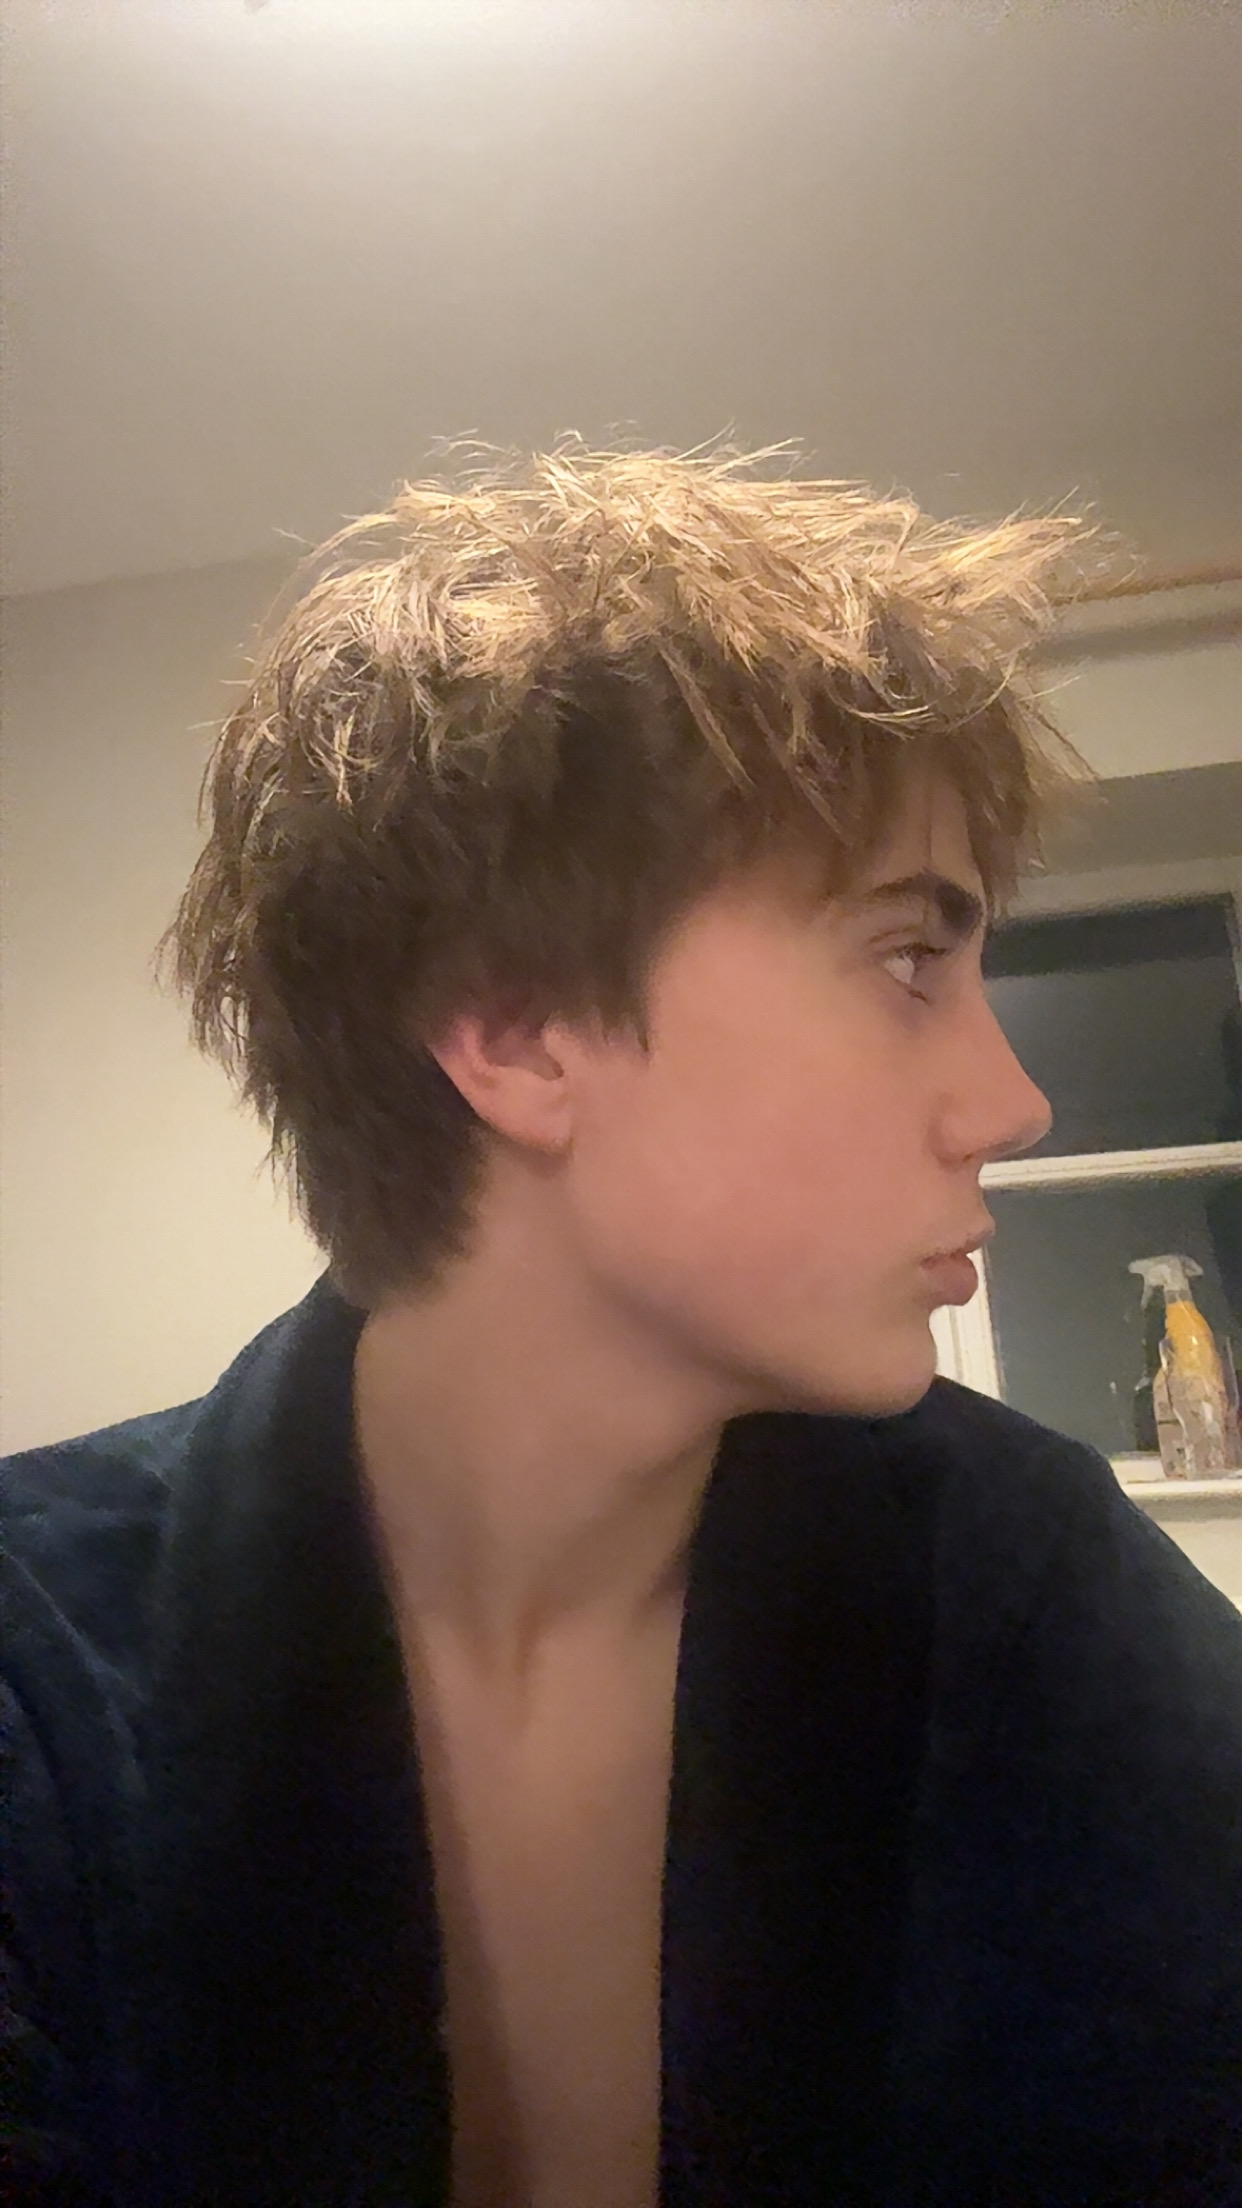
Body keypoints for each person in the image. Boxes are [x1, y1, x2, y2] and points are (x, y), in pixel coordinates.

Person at [2, 448, 1239, 2208]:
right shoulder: (38, 1671)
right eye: (908, 960)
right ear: (515, 1032)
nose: (1011, 1102)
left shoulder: (1017, 1579)